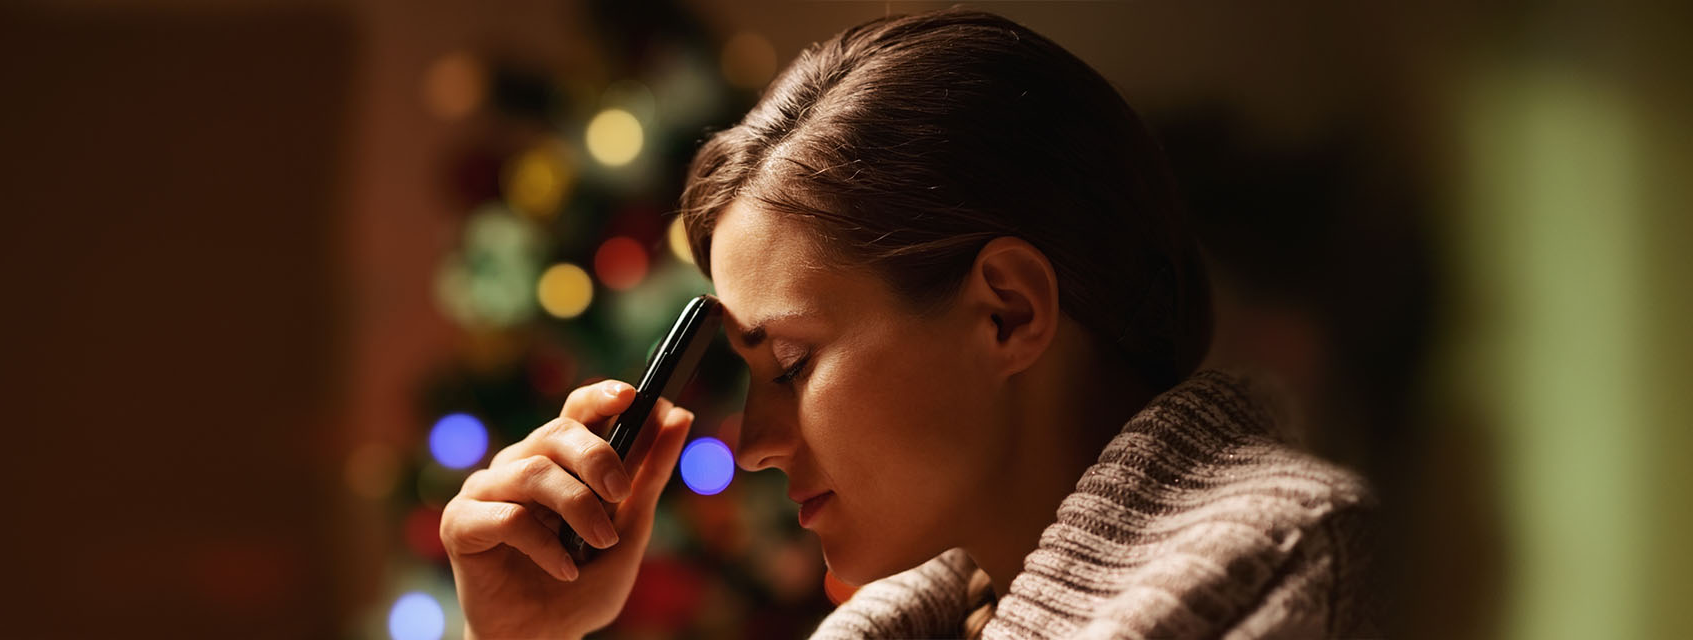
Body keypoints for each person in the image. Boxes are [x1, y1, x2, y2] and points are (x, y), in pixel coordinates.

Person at [440, 8, 1375, 638]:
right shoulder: (904, 621)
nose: (755, 445)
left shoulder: (1285, 565)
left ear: (1008, 313)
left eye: (794, 362)